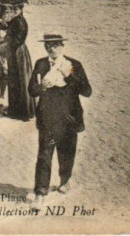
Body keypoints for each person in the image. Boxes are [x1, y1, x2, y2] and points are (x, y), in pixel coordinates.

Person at [28, 34, 92, 207]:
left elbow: (87, 91)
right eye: (48, 46)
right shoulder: (41, 64)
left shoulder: (74, 65)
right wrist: (41, 87)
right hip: (48, 117)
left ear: (62, 46)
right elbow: (31, 91)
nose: (52, 49)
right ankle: (40, 193)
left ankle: (65, 180)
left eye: (55, 45)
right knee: (44, 155)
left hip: (69, 117)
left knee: (67, 153)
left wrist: (69, 75)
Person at [0, 0, 35, 121]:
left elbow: (19, 39)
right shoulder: (15, 20)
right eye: (12, 9)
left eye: (15, 9)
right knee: (14, 79)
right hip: (14, 51)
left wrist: (6, 39)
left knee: (20, 79)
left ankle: (22, 111)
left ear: (20, 9)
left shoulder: (20, 21)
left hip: (18, 52)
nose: (13, 11)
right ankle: (16, 109)